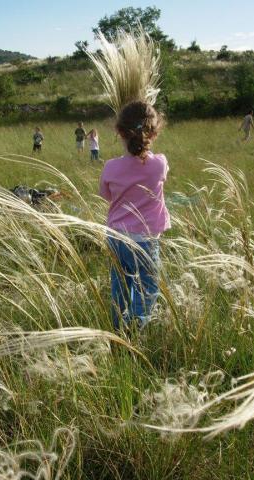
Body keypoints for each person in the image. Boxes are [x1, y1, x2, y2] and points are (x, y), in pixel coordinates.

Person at [99, 101, 170, 331]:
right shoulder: (159, 164)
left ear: (119, 132)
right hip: (145, 241)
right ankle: (134, 330)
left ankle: (117, 328)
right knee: (147, 289)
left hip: (116, 237)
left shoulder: (110, 167)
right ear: (155, 132)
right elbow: (158, 176)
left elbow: (106, 194)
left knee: (119, 287)